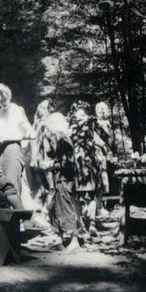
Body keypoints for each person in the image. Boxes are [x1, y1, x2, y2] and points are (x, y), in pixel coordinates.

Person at [41, 112, 81, 252]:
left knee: (67, 209)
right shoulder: (60, 140)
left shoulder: (63, 141)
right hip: (60, 180)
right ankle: (62, 240)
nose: (49, 130)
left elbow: (67, 164)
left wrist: (51, 164)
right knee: (57, 209)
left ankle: (74, 241)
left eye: (50, 126)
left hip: (65, 180)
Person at [68, 100, 106, 237]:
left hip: (90, 163)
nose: (81, 118)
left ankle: (92, 222)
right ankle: (80, 224)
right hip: (77, 164)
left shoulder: (91, 124)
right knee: (76, 196)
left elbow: (103, 136)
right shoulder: (70, 127)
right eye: (78, 115)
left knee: (92, 195)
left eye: (83, 115)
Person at [0, 83, 36, 195]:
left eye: (4, 99)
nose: (3, 103)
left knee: (12, 183)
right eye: (0, 101)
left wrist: (8, 138)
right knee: (0, 183)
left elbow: (30, 133)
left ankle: (16, 211)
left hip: (13, 149)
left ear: (8, 96)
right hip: (0, 151)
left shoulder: (17, 110)